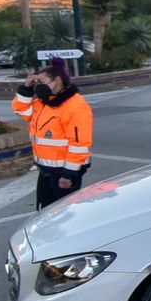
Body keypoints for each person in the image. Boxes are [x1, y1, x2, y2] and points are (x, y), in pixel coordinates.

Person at [13, 58, 94, 209]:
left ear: (57, 80)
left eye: (43, 82)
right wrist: (26, 89)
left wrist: (68, 175)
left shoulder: (75, 107)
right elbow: (22, 112)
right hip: (46, 169)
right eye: (38, 83)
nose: (40, 87)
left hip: (64, 172)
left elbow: (79, 145)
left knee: (66, 213)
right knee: (46, 211)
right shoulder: (44, 102)